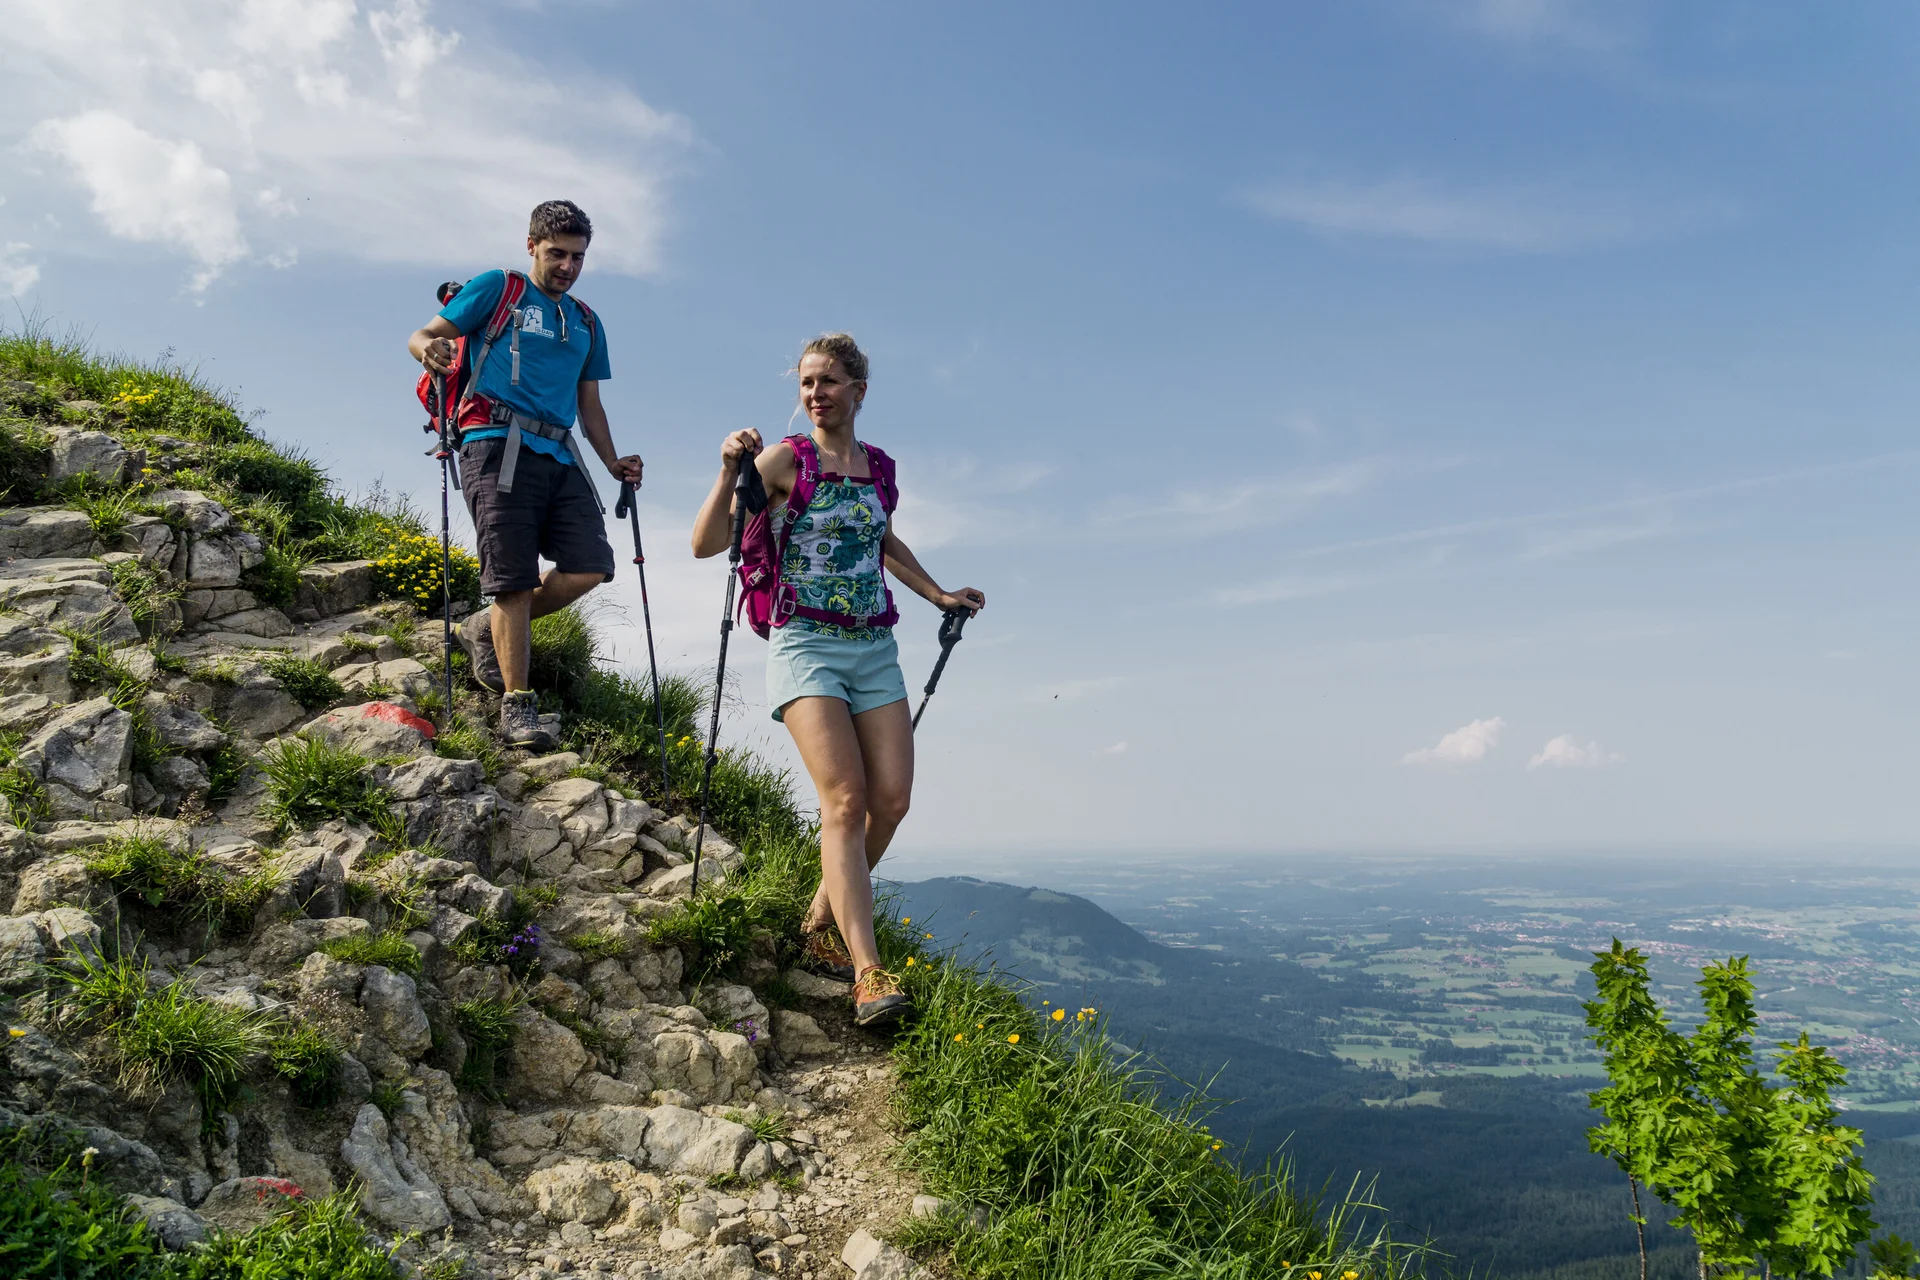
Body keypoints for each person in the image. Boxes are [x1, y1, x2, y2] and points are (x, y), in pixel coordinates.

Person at [692, 333, 985, 1026]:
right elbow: (708, 544)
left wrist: (939, 595)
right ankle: (868, 973)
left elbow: (881, 540)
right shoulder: (782, 460)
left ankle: (821, 914)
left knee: (892, 801)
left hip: (873, 646)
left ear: (859, 389)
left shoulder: (877, 468)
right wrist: (727, 470)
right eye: (806, 384)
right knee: (846, 802)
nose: (814, 394)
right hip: (806, 643)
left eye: (828, 381)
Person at [406, 200, 643, 749]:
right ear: (532, 245)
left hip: (559, 453)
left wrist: (611, 461)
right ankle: (518, 708)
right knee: (511, 577)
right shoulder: (499, 287)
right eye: (557, 253)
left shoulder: (586, 321)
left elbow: (591, 405)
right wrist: (430, 351)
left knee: (590, 566)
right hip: (492, 441)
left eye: (578, 257)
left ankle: (483, 628)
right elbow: (423, 334)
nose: (567, 266)